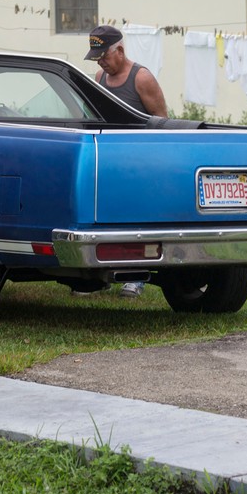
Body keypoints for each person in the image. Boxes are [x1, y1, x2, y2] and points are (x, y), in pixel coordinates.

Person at [83, 25, 168, 298]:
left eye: (104, 56)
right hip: (109, 164)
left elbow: (163, 123)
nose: (100, 62)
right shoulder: (99, 78)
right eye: (96, 57)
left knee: (137, 224)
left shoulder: (141, 79)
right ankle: (100, 277)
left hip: (141, 165)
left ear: (119, 50)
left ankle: (135, 279)